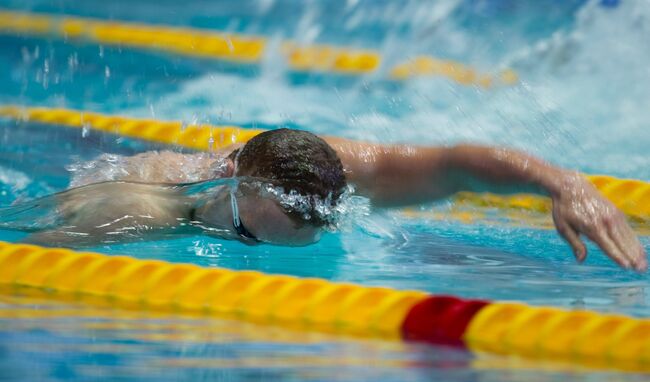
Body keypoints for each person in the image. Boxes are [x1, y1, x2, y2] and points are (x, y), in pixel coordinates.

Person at [8, 128, 646, 272]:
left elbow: (453, 165)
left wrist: (564, 183)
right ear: (231, 182)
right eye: (248, 236)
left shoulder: (332, 169)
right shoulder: (135, 213)